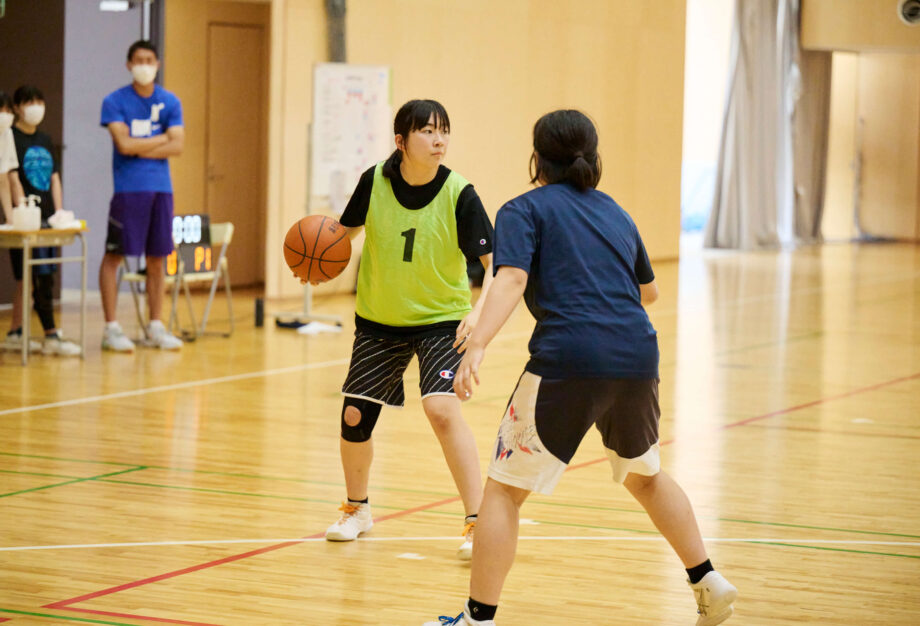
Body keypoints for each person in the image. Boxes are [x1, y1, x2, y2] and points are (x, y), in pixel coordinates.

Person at [426, 110, 738, 625]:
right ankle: (708, 579)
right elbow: (649, 293)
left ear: (537, 158)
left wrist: (477, 343)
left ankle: (477, 619)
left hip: (569, 357)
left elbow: (510, 280)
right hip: (637, 356)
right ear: (592, 156)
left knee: (502, 490)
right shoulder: (614, 211)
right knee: (647, 477)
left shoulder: (523, 209)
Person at [318, 99, 494, 559]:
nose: (439, 140)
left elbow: (497, 264)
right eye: (428, 132)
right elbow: (342, 236)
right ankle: (357, 509)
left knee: (441, 410)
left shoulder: (460, 192)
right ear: (401, 141)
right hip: (380, 319)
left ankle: (478, 522)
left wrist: (477, 313)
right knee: (354, 417)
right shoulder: (374, 181)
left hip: (441, 320)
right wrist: (316, 262)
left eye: (444, 131)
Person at [98, 40, 184, 352]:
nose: (144, 65)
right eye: (138, 60)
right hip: (128, 190)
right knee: (115, 256)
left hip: (162, 189)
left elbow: (178, 146)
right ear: (129, 64)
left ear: (157, 64)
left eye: (149, 59)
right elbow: (124, 146)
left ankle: (156, 325)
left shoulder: (170, 101)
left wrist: (140, 143)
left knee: (157, 258)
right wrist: (160, 137)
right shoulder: (114, 101)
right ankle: (111, 327)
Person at [5, 85, 81, 356]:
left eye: (39, 101)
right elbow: (11, 179)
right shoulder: (9, 138)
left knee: (41, 273)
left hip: (48, 217)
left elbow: (54, 178)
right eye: (29, 102)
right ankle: (49, 333)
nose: (35, 106)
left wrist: (59, 211)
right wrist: (19, 210)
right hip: (25, 217)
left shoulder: (46, 139)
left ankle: (18, 330)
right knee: (30, 275)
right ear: (16, 108)